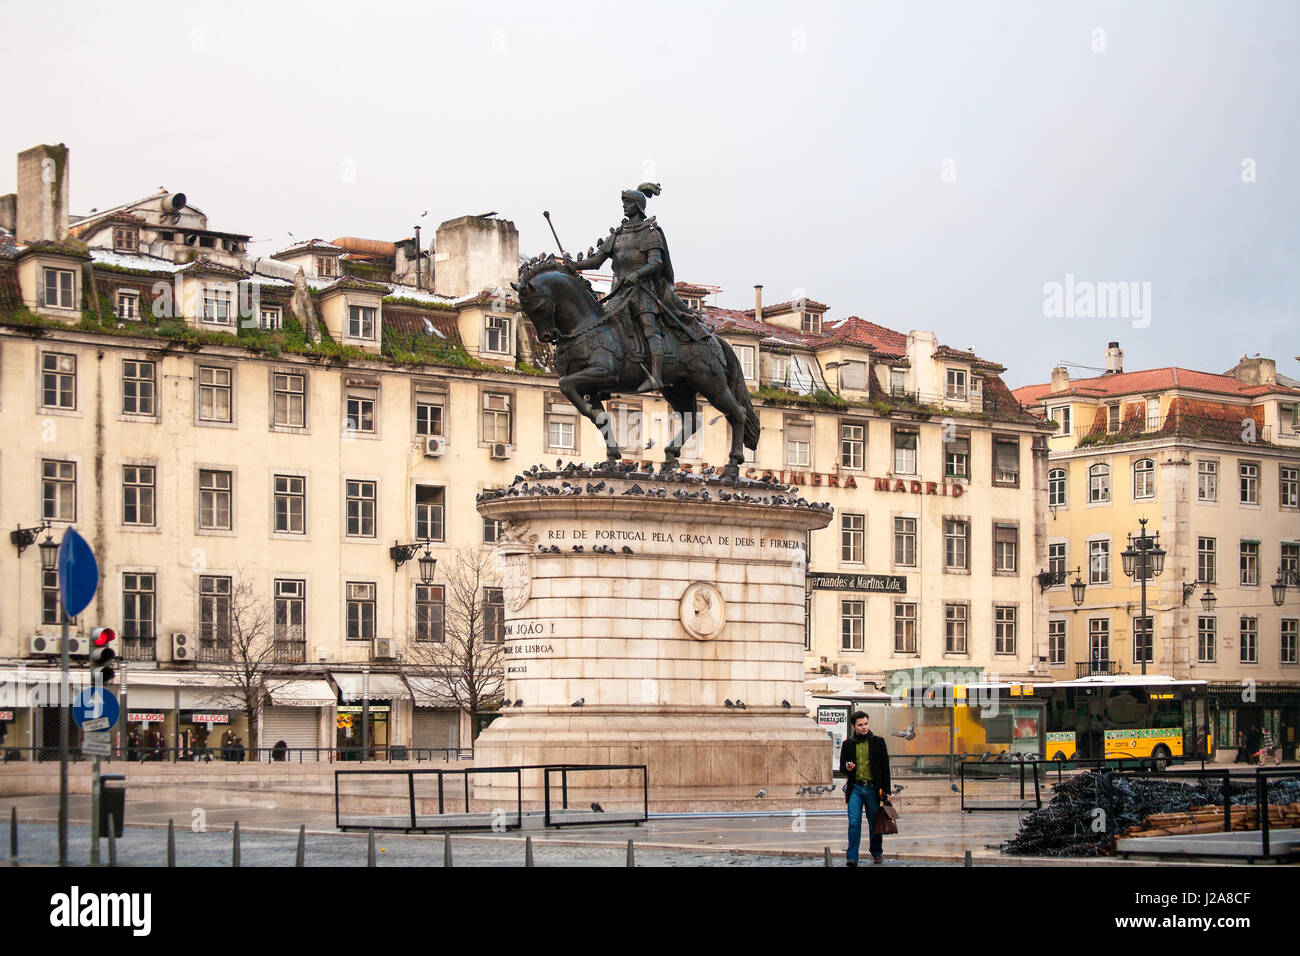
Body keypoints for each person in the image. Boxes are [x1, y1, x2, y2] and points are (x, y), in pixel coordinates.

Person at [567, 182, 706, 394]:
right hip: (619, 292)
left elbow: (656, 263)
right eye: (623, 202)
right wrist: (575, 266)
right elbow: (596, 261)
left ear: (638, 206)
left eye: (628, 202)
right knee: (603, 330)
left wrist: (637, 274)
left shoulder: (650, 232)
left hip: (642, 291)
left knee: (649, 328)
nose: (624, 206)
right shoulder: (619, 233)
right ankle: (604, 377)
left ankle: (656, 376)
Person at [839, 711, 892, 866]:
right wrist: (848, 768)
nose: (864, 727)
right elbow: (842, 766)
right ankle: (852, 856)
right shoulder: (847, 744)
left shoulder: (878, 742)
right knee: (854, 822)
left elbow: (885, 768)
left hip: (872, 789)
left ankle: (876, 852)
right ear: (854, 726)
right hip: (855, 787)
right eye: (860, 725)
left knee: (874, 822)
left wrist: (887, 792)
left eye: (866, 724)